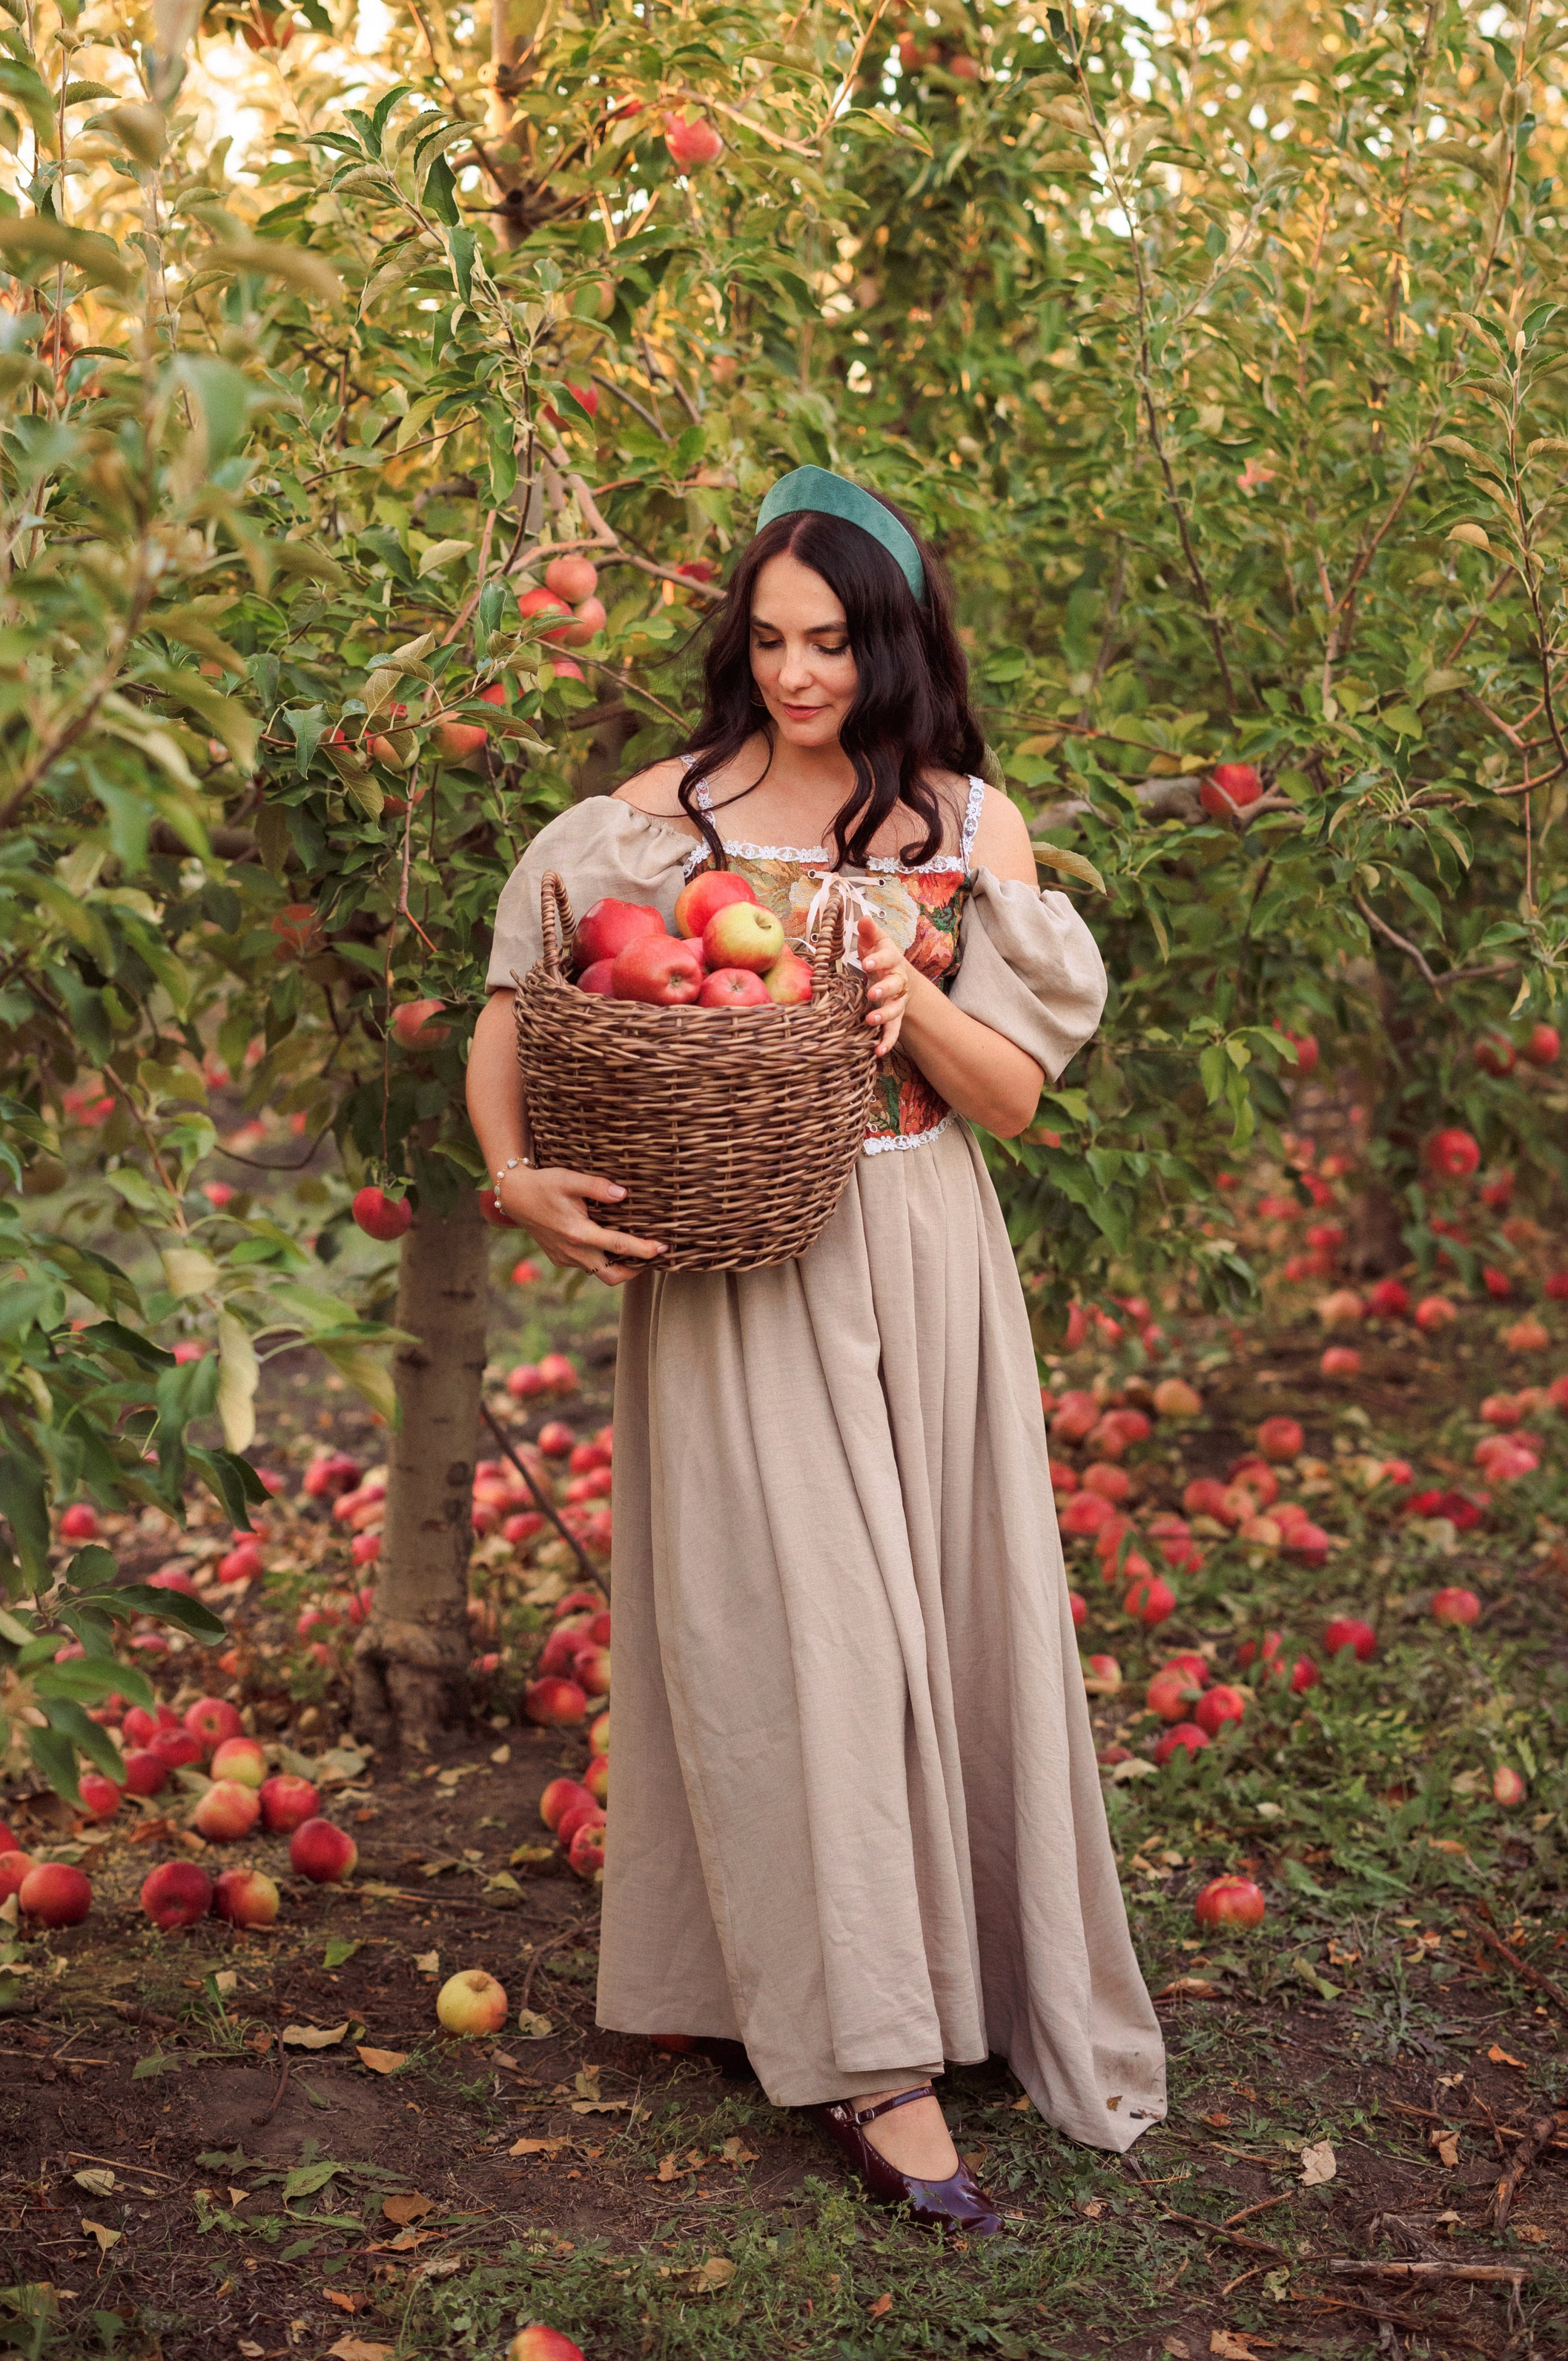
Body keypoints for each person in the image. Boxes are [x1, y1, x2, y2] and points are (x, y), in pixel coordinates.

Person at [466, 465, 1165, 2242]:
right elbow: (513, 1011)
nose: (797, 676)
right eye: (771, 639)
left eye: (833, 641)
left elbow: (1006, 1096)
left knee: (945, 1605)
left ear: (895, 640)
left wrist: (899, 988)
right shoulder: (653, 823)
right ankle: (873, 2054)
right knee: (802, 1627)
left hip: (920, 1240)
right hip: (734, 1264)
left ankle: (954, 1976)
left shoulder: (967, 830)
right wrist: (514, 1176)